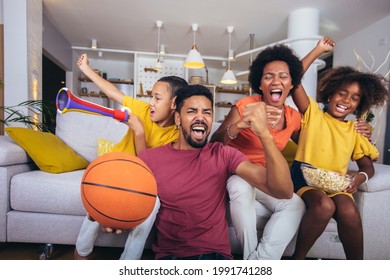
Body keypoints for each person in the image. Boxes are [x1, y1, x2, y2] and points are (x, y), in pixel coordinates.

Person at [210, 41, 374, 260]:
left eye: (283, 77)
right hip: (240, 172)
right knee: (240, 188)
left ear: (290, 85)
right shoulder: (249, 106)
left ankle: (263, 261)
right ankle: (252, 262)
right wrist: (240, 125)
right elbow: (215, 143)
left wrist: (362, 130)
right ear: (260, 83)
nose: (276, 81)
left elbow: (318, 139)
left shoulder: (295, 118)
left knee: (295, 206)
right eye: (269, 76)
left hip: (268, 178)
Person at [136, 84, 294, 259]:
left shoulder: (223, 154)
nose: (200, 118)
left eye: (207, 112)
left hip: (216, 257)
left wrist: (265, 134)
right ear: (178, 119)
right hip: (171, 259)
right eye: (192, 111)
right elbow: (128, 200)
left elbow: (283, 191)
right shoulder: (151, 159)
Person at [74, 53, 188, 260]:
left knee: (152, 204)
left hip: (143, 178)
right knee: (97, 196)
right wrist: (86, 70)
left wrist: (139, 133)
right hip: (116, 170)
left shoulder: (176, 135)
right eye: (151, 96)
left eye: (157, 98)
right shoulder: (143, 110)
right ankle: (81, 254)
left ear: (174, 104)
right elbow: (113, 92)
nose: (150, 102)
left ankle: (128, 263)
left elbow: (148, 166)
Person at [290, 38, 389, 259]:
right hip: (304, 178)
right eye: (342, 93)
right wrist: (318, 50)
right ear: (331, 93)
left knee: (349, 211)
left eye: (355, 98)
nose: (347, 100)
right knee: (324, 206)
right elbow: (293, 82)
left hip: (335, 182)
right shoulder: (313, 113)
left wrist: (359, 178)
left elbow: (367, 166)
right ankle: (297, 260)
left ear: (359, 105)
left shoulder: (355, 130)